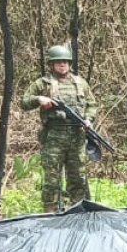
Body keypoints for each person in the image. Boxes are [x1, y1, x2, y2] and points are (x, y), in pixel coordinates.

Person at [20, 45, 92, 212]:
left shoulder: (80, 83)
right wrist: (39, 99)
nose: (62, 64)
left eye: (65, 62)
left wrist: (89, 119)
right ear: (51, 64)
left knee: (78, 177)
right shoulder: (43, 83)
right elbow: (24, 102)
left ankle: (78, 212)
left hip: (77, 136)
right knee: (51, 179)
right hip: (54, 136)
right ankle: (50, 213)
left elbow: (92, 104)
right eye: (58, 62)